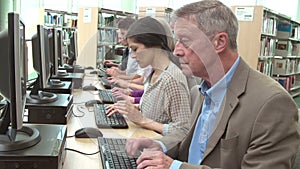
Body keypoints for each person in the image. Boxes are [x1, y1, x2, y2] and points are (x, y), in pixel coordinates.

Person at [125, 1, 300, 168]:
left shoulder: (271, 103)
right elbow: (191, 138)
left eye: (185, 40)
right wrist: (159, 145)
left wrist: (174, 166)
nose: (176, 51)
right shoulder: (202, 88)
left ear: (219, 42)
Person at [106, 16, 191, 136]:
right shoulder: (153, 72)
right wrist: (130, 109)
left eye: (135, 49)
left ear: (153, 44)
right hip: (143, 138)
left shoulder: (172, 79)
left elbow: (183, 131)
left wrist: (142, 120)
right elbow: (156, 112)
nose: (134, 56)